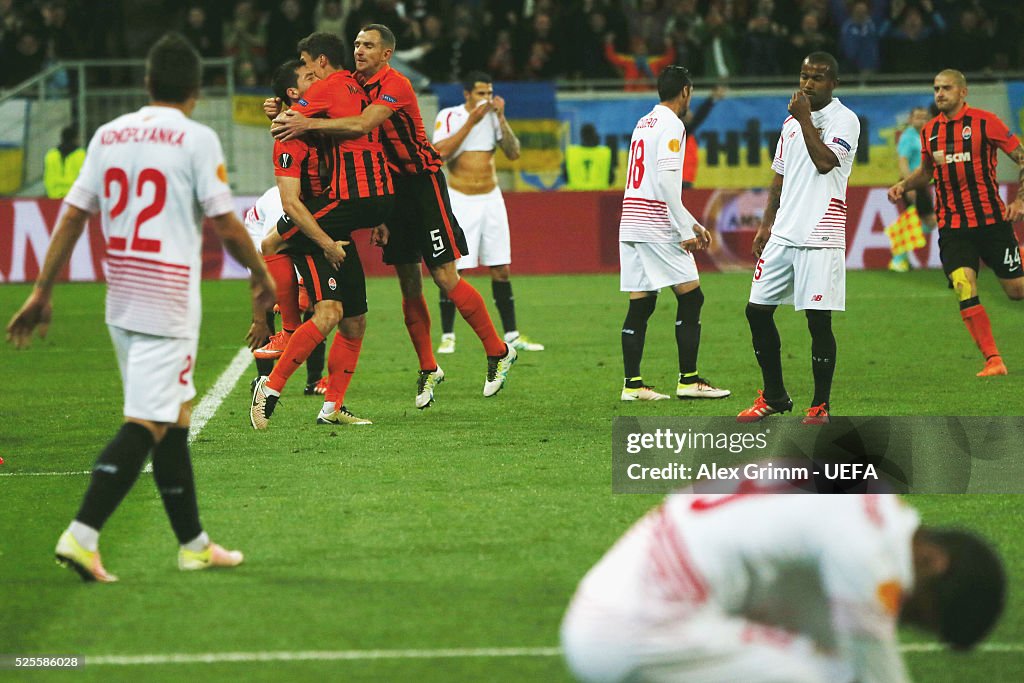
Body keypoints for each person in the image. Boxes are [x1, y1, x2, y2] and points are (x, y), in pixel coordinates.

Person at [5, 33, 275, 583]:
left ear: (147, 83)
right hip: (167, 304)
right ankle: (82, 535)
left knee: (174, 420)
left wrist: (42, 289)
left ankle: (194, 544)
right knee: (148, 422)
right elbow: (225, 223)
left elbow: (74, 216)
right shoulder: (196, 139)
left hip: (121, 300)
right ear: (197, 91)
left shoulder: (108, 134)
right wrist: (264, 275)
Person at [269, 24, 518, 409]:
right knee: (408, 282)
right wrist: (279, 107)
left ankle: (497, 350)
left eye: (368, 45)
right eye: (356, 44)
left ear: (386, 53)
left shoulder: (396, 84)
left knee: (444, 275)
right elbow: (313, 99)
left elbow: (364, 124)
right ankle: (428, 367)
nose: (359, 51)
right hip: (387, 190)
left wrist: (305, 122)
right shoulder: (350, 82)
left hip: (422, 183)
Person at [561, 493, 1005, 683]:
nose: (898, 616)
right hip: (638, 624)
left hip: (626, 599)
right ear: (932, 560)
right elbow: (873, 670)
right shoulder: (867, 547)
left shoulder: (866, 505)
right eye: (913, 613)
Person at [250, 36, 394, 430]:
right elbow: (292, 203)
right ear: (298, 90)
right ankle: (274, 377)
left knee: (355, 320)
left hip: (336, 219)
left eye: (310, 64)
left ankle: (332, 407)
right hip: (314, 227)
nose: (312, 71)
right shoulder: (289, 137)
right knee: (280, 253)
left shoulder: (319, 119)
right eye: (305, 69)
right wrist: (326, 243)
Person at [738, 52, 859, 425]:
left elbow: (825, 162)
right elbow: (780, 176)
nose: (808, 83)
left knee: (817, 321)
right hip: (784, 234)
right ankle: (774, 395)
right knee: (756, 311)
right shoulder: (791, 123)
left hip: (821, 235)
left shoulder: (845, 119)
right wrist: (765, 224)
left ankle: (820, 404)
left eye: (818, 77)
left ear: (833, 82)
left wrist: (805, 118)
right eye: (804, 75)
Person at [887, 69, 1024, 378]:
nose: (939, 93)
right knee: (964, 283)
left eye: (946, 88)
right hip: (953, 226)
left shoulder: (986, 122)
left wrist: (1020, 200)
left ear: (963, 92)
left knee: (1016, 291)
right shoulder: (930, 131)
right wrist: (904, 186)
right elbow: (926, 172)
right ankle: (993, 359)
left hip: (992, 222)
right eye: (936, 88)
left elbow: (1021, 157)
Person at [617, 66, 729, 402]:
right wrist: (684, 228)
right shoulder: (671, 125)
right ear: (685, 91)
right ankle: (689, 380)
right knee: (692, 297)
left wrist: (688, 221)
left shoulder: (644, 122)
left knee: (641, 303)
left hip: (631, 221)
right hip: (654, 222)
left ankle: (633, 385)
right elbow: (666, 182)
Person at [432, 71, 544, 356]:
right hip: (460, 199)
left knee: (502, 269)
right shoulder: (450, 116)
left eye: (489, 93)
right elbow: (438, 153)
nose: (486, 99)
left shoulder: (494, 117)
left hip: (491, 198)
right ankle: (448, 335)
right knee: (455, 270)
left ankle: (512, 334)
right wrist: (473, 121)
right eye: (481, 93)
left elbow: (514, 152)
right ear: (467, 94)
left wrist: (502, 119)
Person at [243, 183, 326, 396]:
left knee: (318, 307)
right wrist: (259, 320)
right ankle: (264, 378)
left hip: (296, 235)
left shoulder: (318, 201)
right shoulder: (280, 208)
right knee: (273, 293)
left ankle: (314, 380)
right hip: (259, 232)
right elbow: (262, 271)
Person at [888, 105, 937, 273]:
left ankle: (901, 256)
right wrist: (908, 185)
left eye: (924, 117)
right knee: (929, 221)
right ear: (910, 119)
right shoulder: (908, 137)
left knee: (916, 221)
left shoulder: (923, 135)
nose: (922, 120)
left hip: (921, 183)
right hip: (912, 183)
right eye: (918, 117)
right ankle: (898, 255)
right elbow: (903, 161)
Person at [565, 123, 612, 190]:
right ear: (595, 135)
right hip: (599, 195)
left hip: (575, 195)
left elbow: (565, 176)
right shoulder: (605, 153)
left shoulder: (571, 152)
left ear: (581, 136)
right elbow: (611, 178)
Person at [43, 124, 85, 199]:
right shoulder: (82, 155)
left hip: (53, 197)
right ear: (76, 139)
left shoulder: (50, 155)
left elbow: (46, 177)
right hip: (75, 198)